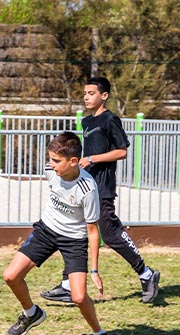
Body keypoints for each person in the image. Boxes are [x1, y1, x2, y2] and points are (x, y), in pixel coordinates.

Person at [40, 77, 160, 304]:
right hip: (85, 188)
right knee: (76, 234)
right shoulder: (86, 122)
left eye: (91, 93)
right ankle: (68, 284)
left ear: (104, 96)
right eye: (85, 93)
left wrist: (92, 158)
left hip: (102, 188)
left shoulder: (110, 120)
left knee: (112, 234)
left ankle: (146, 273)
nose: (86, 97)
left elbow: (122, 151)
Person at [3, 132, 122, 335]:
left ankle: (100, 333)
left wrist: (94, 269)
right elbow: (51, 170)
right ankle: (31, 314)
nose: (51, 165)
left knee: (78, 297)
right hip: (46, 230)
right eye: (50, 159)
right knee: (11, 276)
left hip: (74, 240)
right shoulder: (51, 172)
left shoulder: (88, 189)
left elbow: (93, 231)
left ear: (73, 161)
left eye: (56, 161)